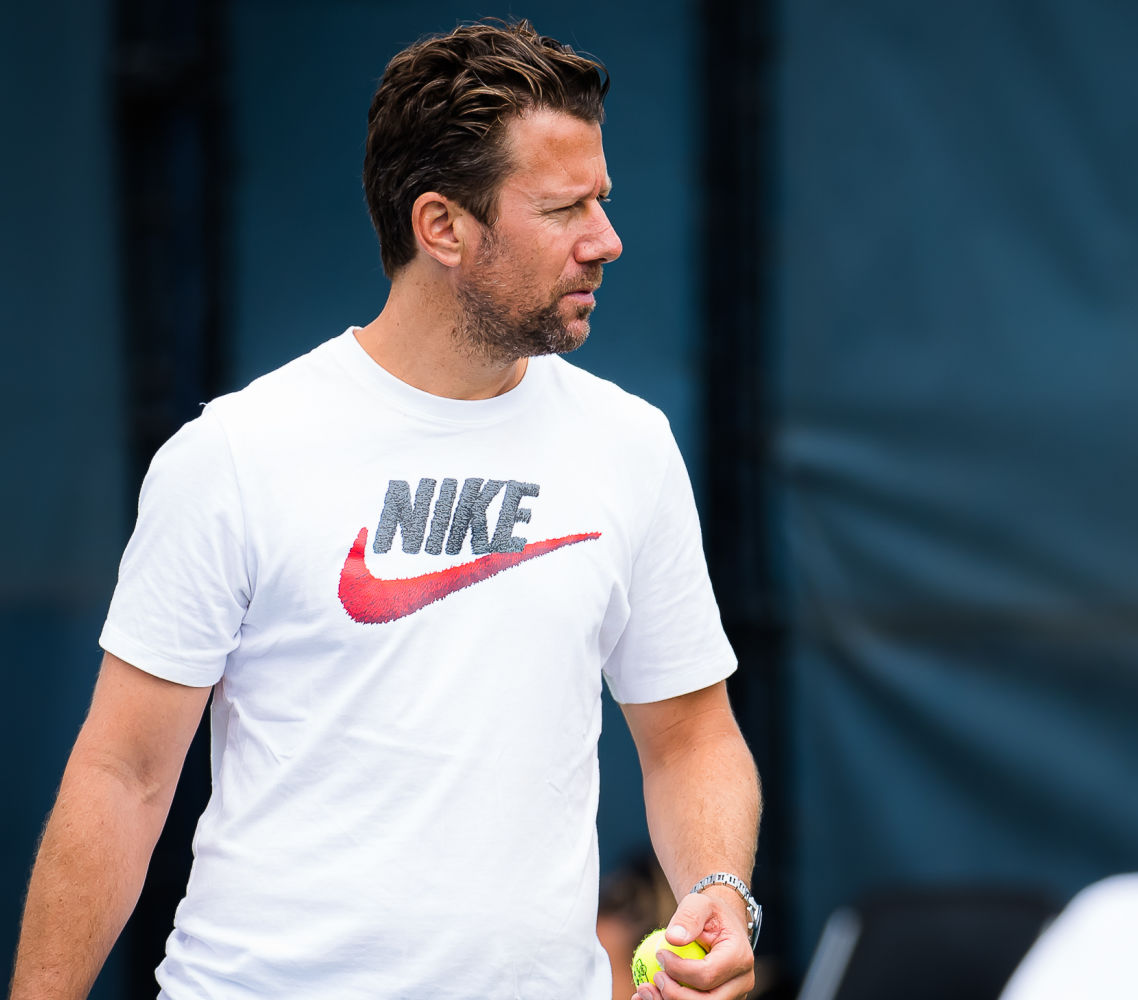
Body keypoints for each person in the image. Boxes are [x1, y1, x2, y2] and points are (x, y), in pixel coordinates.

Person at [11, 21, 760, 1000]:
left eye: (603, 201)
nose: (605, 240)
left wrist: (715, 886)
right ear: (441, 226)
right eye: (563, 207)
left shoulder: (630, 446)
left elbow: (693, 736)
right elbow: (123, 777)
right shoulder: (236, 454)